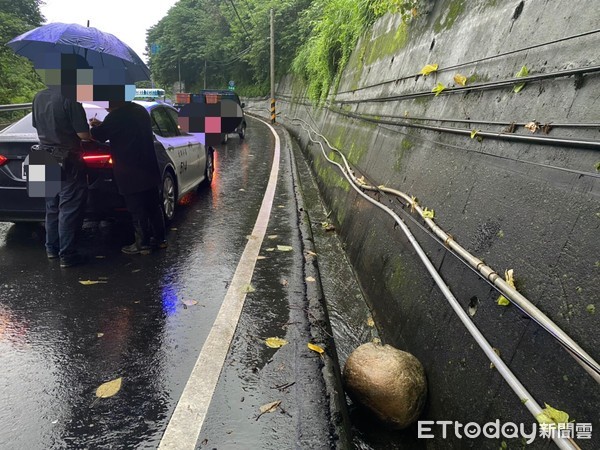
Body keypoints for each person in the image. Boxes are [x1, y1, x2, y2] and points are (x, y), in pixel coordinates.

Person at [89, 101, 166, 254]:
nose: (105, 108)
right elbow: (125, 128)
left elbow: (100, 135)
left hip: (129, 170)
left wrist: (94, 127)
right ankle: (160, 239)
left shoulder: (116, 116)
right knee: (153, 205)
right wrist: (104, 123)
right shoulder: (140, 110)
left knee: (136, 208)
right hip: (149, 167)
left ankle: (142, 244)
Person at [32, 88, 91, 268]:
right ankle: (67, 254)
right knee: (68, 208)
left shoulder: (38, 96)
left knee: (51, 207)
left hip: (41, 155)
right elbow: (83, 135)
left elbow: (36, 125)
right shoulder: (71, 98)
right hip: (66, 158)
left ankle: (51, 248)